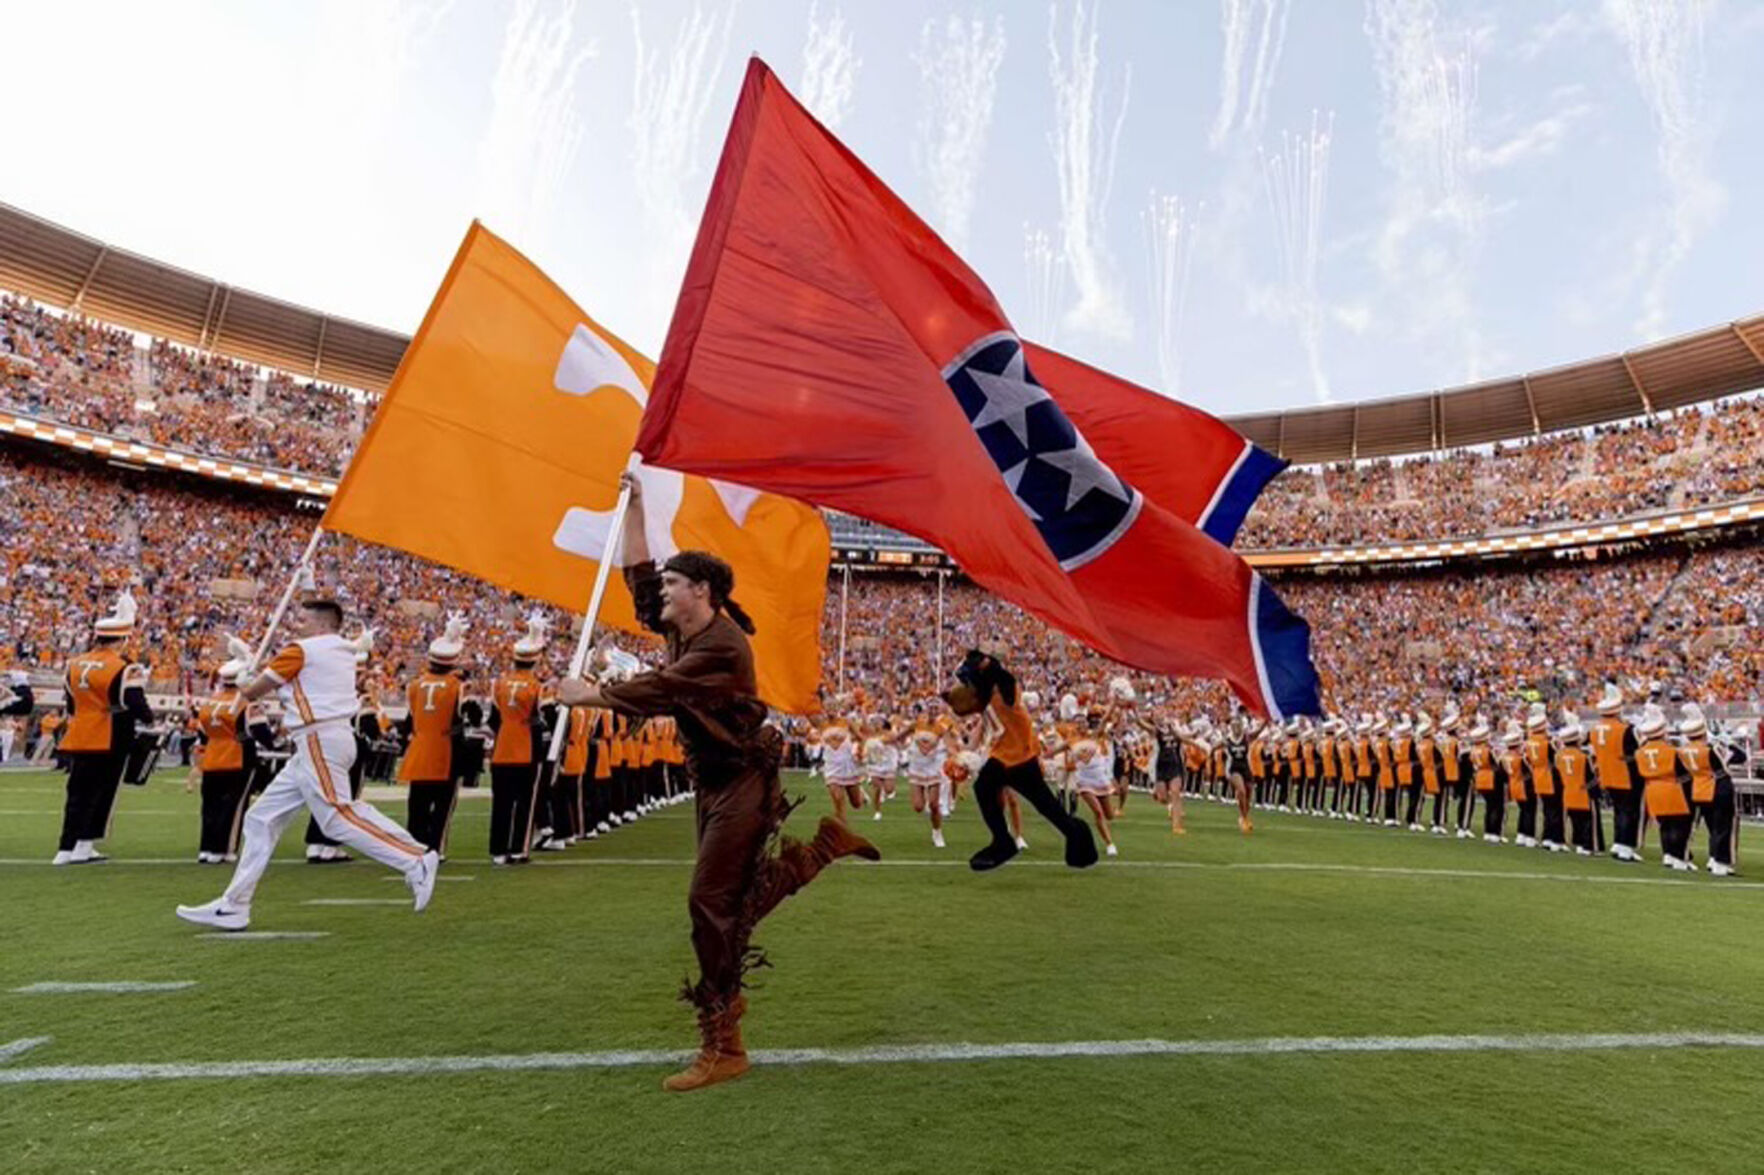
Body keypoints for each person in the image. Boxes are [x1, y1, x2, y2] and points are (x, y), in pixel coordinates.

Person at [555, 471, 879, 1093]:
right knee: (728, 905)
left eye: (675, 586)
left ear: (701, 591)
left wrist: (590, 693)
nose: (663, 596)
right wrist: (638, 505)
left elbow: (660, 690)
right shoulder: (686, 625)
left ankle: (725, 1045)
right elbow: (639, 571)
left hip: (743, 780)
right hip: (712, 779)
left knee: (710, 904)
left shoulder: (723, 646)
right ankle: (817, 853)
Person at [175, 599, 438, 930]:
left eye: (303, 619)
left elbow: (253, 692)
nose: (297, 624)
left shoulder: (301, 650)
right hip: (322, 740)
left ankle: (414, 859)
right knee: (261, 818)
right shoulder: (344, 649)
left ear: (322, 624)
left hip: (318, 738)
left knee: (337, 817)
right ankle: (234, 904)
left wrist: (244, 675)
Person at [56, 590, 153, 865]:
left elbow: (71, 702)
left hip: (80, 731)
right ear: (121, 639)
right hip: (111, 732)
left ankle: (66, 847)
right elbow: (134, 701)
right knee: (102, 791)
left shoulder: (74, 664)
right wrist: (148, 719)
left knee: (77, 792)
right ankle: (84, 846)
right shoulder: (124, 666)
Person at [399, 615, 467, 855]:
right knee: (442, 807)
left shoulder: (415, 685)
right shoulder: (457, 687)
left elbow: (408, 722)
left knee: (417, 804)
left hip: (419, 749)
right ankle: (435, 849)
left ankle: (414, 847)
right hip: (445, 751)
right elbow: (464, 721)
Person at [488, 615, 548, 864]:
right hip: (525, 750)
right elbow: (539, 721)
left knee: (501, 803)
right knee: (524, 803)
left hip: (502, 748)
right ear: (534, 660)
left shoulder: (499, 684)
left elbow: (493, 719)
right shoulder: (537, 687)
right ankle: (518, 849)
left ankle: (498, 851)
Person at [190, 658, 255, 864]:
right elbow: (259, 732)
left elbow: (202, 734)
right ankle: (223, 848)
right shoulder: (244, 703)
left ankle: (207, 847)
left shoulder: (209, 702)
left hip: (212, 757)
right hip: (236, 757)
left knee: (210, 805)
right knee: (232, 807)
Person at [1678, 704, 1741, 877]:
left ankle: (1714, 858)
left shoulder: (1683, 750)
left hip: (1699, 789)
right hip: (1719, 787)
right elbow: (1740, 757)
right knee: (1724, 826)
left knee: (1712, 827)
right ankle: (1721, 862)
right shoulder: (1710, 749)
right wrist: (1729, 742)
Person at [1588, 683, 1641, 862]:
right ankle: (1626, 846)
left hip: (1607, 774)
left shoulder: (1594, 730)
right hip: (1625, 774)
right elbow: (1635, 752)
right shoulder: (1625, 729)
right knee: (1629, 811)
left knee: (1619, 809)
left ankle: (1619, 842)